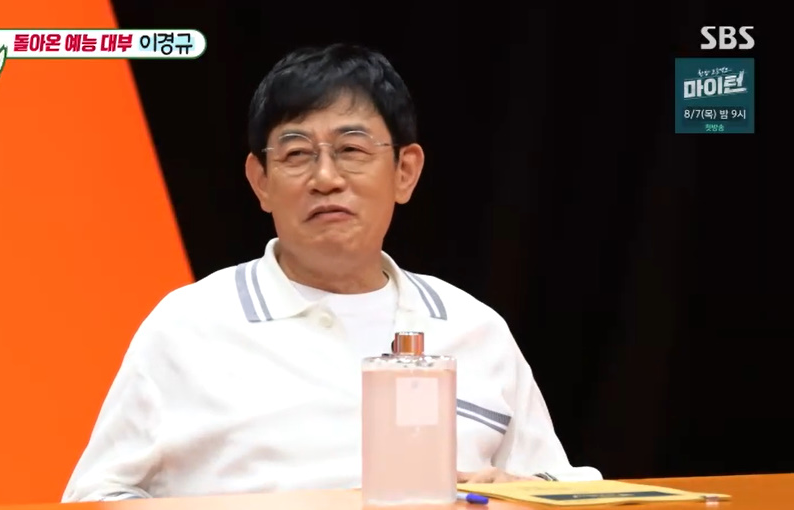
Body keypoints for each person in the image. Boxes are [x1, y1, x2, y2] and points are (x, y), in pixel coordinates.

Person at [61, 43, 601, 502]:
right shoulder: (189, 325)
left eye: (351, 149)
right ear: (260, 181)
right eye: (297, 154)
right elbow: (94, 498)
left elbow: (568, 488)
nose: (325, 177)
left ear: (405, 171)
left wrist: (519, 492)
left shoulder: (473, 327)